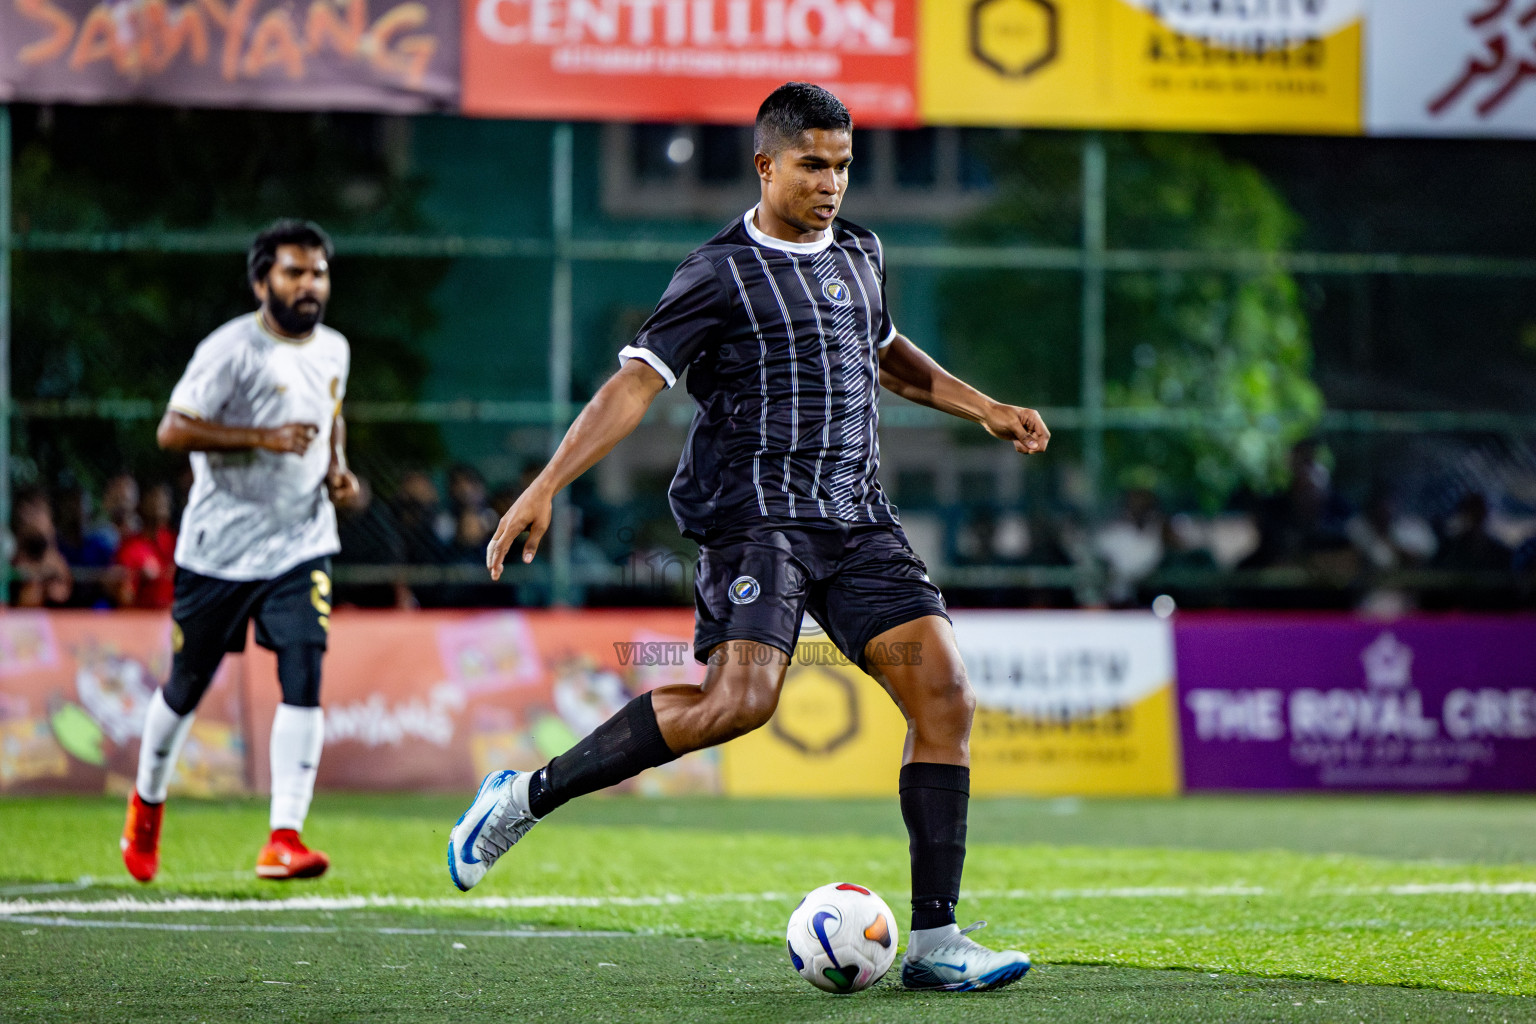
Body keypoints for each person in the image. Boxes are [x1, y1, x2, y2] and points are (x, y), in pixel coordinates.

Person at [447, 83, 1048, 993]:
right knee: (740, 704)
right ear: (765, 164)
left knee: (947, 697)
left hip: (857, 518)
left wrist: (985, 408)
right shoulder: (716, 271)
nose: (832, 183)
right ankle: (525, 795)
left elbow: (885, 351)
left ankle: (934, 944)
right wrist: (544, 488)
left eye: (843, 165)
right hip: (755, 518)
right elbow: (633, 387)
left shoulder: (860, 252)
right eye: (813, 164)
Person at [120, 219, 357, 883]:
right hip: (219, 549)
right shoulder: (230, 349)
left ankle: (284, 835)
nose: (309, 285)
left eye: (318, 273)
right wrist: (262, 436)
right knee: (186, 685)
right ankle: (146, 805)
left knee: (304, 668)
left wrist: (340, 471)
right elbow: (172, 430)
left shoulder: (335, 349)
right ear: (261, 282)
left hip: (301, 542)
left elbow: (332, 414)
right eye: (293, 272)